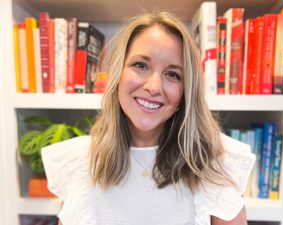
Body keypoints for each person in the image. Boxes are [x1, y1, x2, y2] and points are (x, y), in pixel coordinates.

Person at [42, 11, 255, 225]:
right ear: (118, 73)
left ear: (186, 91)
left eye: (173, 74)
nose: (153, 87)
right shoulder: (81, 163)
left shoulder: (216, 167)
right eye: (140, 65)